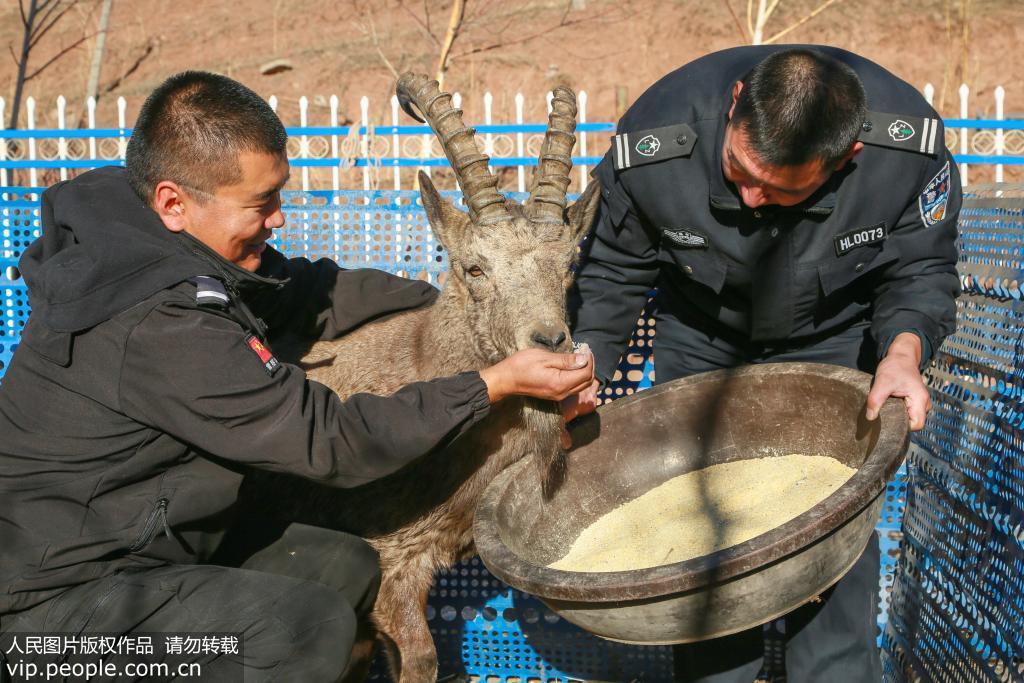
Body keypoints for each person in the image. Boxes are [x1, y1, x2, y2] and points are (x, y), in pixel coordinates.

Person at [0, 71, 594, 681]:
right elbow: (328, 441)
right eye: (262, 205)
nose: (279, 218)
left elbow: (305, 289)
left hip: (154, 554)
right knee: (306, 627)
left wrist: (481, 302)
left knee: (347, 565)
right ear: (174, 202)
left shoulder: (161, 239)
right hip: (50, 621)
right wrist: (490, 383)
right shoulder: (159, 323)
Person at [569, 46, 960, 681]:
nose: (751, 199)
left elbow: (920, 269)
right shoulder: (655, 140)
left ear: (847, 158)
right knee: (703, 542)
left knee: (831, 538)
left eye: (780, 189)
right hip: (703, 341)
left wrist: (904, 352)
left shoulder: (905, 152)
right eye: (738, 168)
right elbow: (614, 270)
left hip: (837, 342)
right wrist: (586, 359)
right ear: (733, 105)